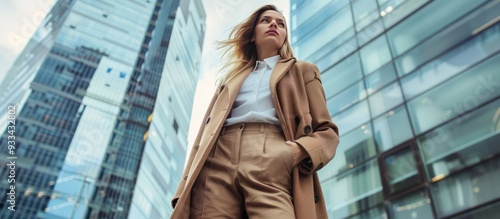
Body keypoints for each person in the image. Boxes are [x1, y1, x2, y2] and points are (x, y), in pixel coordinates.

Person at [171, 4, 339, 219]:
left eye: (281, 24)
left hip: (271, 155)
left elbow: (328, 131)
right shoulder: (229, 80)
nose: (273, 25)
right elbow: (203, 135)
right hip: (217, 160)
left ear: (285, 37)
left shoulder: (303, 71)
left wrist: (297, 151)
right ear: (252, 35)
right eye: (266, 21)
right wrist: (184, 186)